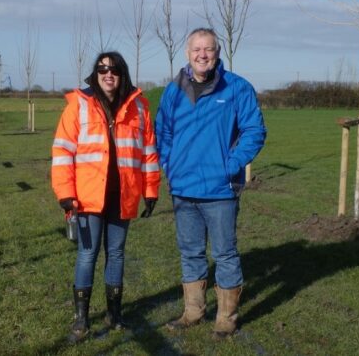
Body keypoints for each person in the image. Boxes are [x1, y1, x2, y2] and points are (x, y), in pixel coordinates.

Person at [155, 28, 267, 339]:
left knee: (224, 254)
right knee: (190, 252)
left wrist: (228, 167)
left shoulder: (237, 88)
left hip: (219, 191)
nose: (202, 55)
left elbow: (254, 132)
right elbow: (162, 131)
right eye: (196, 49)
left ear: (218, 53)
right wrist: (168, 163)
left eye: (209, 49)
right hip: (182, 189)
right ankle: (193, 311)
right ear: (187, 53)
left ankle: (226, 318)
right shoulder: (173, 90)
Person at [51, 51, 160, 341]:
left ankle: (115, 315)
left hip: (122, 196)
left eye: (114, 70)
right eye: (102, 69)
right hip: (87, 198)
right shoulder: (78, 105)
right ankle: (81, 320)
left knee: (117, 254)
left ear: (122, 73)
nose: (108, 74)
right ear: (95, 74)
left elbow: (149, 152)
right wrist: (65, 194)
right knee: (87, 254)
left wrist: (150, 190)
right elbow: (62, 152)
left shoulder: (139, 106)